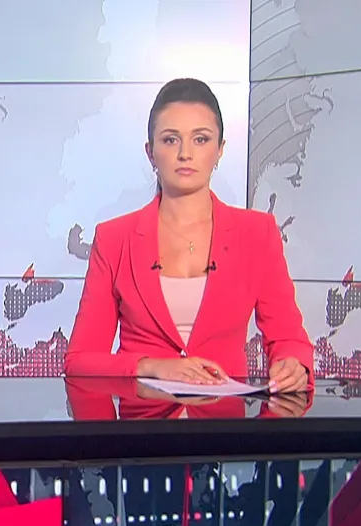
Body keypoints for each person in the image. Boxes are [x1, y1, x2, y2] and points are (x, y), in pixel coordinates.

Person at [64, 78, 313, 394]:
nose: (185, 153)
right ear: (150, 152)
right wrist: (152, 367)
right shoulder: (114, 239)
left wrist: (293, 365)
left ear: (220, 150)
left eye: (201, 139)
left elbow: (289, 339)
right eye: (170, 140)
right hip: (142, 420)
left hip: (223, 420)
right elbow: (80, 361)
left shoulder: (257, 234)